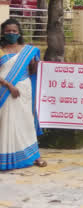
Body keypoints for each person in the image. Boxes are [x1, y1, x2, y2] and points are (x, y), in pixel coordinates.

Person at [0, 18, 46, 170]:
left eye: (14, 31)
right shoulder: (0, 50)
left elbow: (34, 72)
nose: (11, 33)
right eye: (8, 31)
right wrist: (9, 85)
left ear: (19, 33)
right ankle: (5, 158)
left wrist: (34, 65)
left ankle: (34, 156)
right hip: (5, 90)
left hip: (24, 92)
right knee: (5, 123)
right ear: (3, 33)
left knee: (26, 122)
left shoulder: (29, 50)